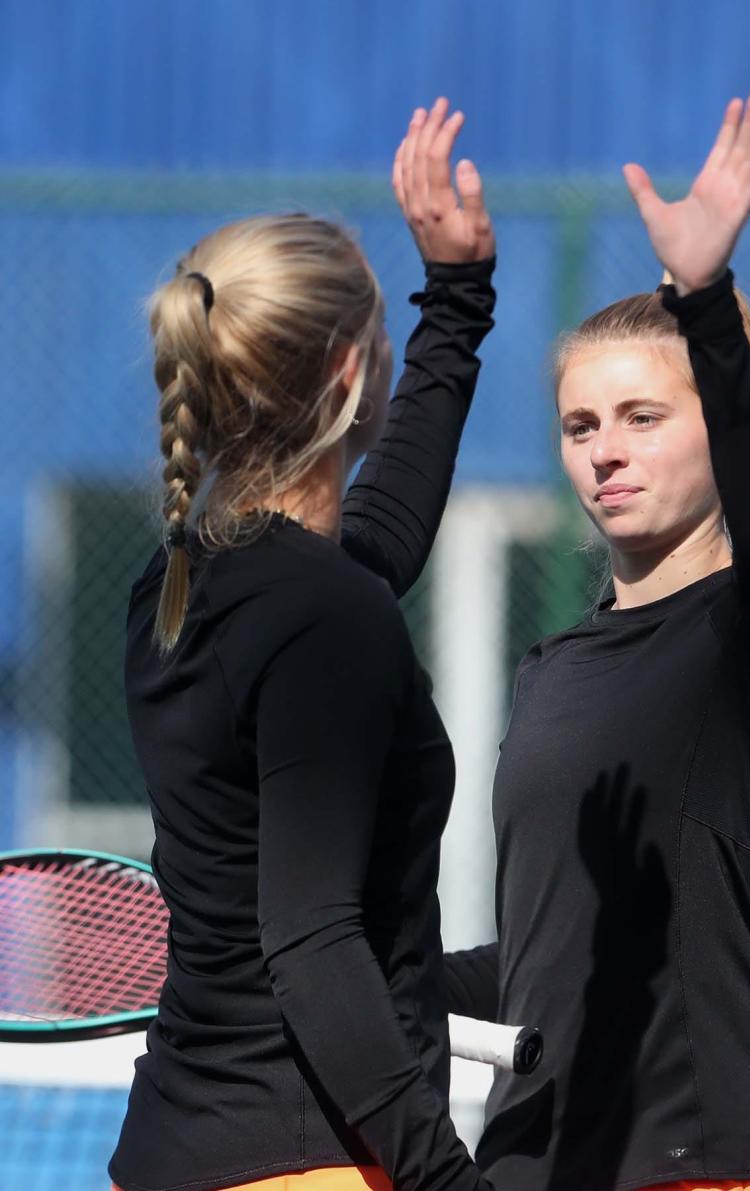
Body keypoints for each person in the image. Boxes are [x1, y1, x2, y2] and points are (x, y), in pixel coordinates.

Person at [445, 95, 750, 1191]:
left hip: (694, 1153)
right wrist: (359, 976)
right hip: (533, 1158)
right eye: (581, 426)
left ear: (719, 422)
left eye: (642, 417)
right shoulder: (553, 669)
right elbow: (541, 959)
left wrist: (703, 301)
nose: (605, 452)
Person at [109, 98, 498, 1191]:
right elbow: (314, 944)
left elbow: (373, 541)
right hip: (306, 1164)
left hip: (173, 1154)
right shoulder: (324, 615)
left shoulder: (180, 585)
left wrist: (455, 303)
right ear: (345, 374)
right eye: (379, 339)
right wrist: (443, 1178)